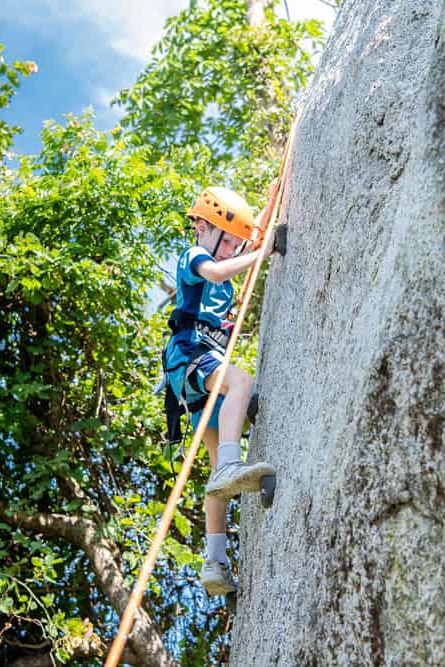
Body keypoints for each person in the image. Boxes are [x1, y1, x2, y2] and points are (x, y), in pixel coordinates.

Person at [162, 184, 280, 596]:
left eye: (234, 243)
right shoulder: (195, 255)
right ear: (201, 226)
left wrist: (269, 203)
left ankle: (215, 563)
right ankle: (233, 462)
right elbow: (217, 269)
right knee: (241, 382)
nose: (231, 249)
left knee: (216, 479)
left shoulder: (226, 249)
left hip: (196, 374)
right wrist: (260, 254)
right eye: (225, 240)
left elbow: (253, 238)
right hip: (190, 354)